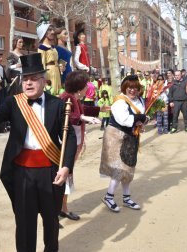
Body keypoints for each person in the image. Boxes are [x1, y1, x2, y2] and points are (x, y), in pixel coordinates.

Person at [0, 53, 77, 252]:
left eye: (33, 79)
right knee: (24, 223)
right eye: (25, 79)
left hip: (51, 171)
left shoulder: (58, 104)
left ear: (44, 81)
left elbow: (69, 137)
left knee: (51, 221)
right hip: (22, 173)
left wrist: (66, 167)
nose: (28, 83)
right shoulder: (15, 102)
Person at [100, 75, 149, 212]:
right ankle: (109, 196)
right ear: (124, 88)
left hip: (131, 136)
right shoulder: (120, 102)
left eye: (135, 88)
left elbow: (140, 117)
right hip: (117, 136)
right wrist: (140, 118)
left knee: (129, 168)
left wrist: (142, 121)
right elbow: (124, 120)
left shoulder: (139, 100)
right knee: (120, 168)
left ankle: (126, 198)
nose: (132, 90)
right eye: (130, 87)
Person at [59, 71, 100, 224]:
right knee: (63, 175)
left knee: (67, 175)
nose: (87, 88)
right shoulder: (66, 98)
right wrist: (83, 117)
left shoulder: (73, 98)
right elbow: (68, 114)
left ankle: (62, 208)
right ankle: (59, 209)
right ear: (79, 87)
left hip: (73, 143)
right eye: (85, 86)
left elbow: (81, 110)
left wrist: (100, 109)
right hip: (65, 144)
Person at [37, 17, 62, 96]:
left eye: (52, 30)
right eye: (49, 30)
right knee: (51, 92)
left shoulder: (53, 47)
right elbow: (42, 64)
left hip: (56, 70)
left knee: (58, 92)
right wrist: (43, 78)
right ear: (44, 33)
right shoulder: (42, 48)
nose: (52, 32)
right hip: (49, 72)